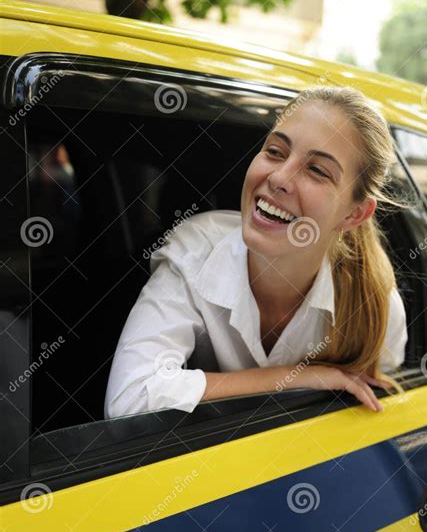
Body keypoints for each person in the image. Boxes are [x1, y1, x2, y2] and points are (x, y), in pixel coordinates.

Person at [105, 86, 408, 419]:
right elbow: (129, 399)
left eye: (317, 170)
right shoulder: (196, 252)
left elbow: (378, 410)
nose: (279, 178)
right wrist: (298, 379)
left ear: (354, 215)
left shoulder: (374, 304)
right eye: (276, 151)